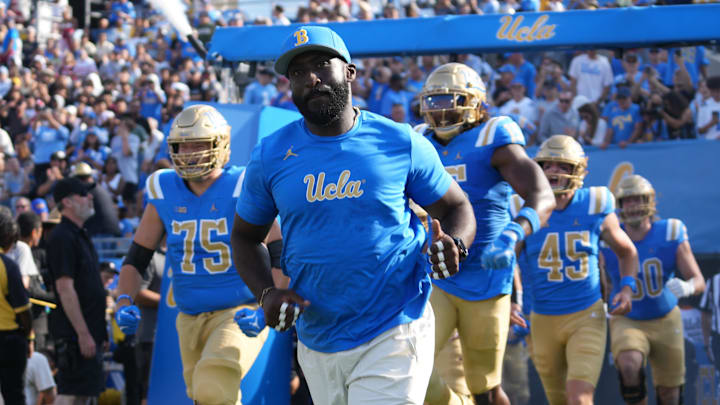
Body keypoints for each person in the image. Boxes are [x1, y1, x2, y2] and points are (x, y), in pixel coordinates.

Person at [231, 26, 476, 405]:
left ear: (350, 72)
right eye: (297, 72)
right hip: (317, 334)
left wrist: (455, 243)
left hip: (394, 322)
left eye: (321, 65)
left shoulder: (400, 141)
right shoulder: (270, 155)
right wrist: (266, 294)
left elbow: (457, 207)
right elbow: (246, 237)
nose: (310, 78)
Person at [113, 104, 281, 405]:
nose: (190, 152)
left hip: (238, 311)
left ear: (221, 144)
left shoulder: (243, 185)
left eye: (199, 144)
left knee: (214, 385)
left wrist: (269, 302)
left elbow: (281, 252)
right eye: (183, 145)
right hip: (187, 317)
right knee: (205, 396)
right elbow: (138, 257)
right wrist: (124, 299)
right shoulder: (164, 188)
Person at [417, 62, 555, 405]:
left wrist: (513, 234)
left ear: (475, 102)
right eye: (434, 102)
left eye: (451, 100)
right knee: (412, 365)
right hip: (437, 276)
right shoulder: (418, 141)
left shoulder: (493, 137)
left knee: (485, 388)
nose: (442, 110)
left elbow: (543, 194)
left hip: (487, 275)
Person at [517, 135, 639, 405]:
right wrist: (512, 300)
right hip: (542, 319)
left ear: (578, 170)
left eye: (562, 166)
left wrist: (627, 288)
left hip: (586, 315)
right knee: (558, 400)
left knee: (579, 398)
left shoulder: (595, 203)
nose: (553, 172)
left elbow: (627, 251)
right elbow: (508, 259)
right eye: (547, 165)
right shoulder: (523, 206)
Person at [602, 174, 706, 405]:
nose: (633, 205)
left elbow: (699, 280)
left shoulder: (670, 232)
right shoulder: (608, 238)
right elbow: (601, 282)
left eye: (638, 199)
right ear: (619, 205)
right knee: (628, 365)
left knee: (670, 393)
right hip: (627, 317)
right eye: (627, 200)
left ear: (649, 201)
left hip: (666, 318)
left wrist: (688, 286)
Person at [46, 177, 108, 405]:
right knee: (72, 393)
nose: (90, 197)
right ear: (68, 202)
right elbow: (65, 288)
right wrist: (83, 333)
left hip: (90, 332)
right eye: (83, 193)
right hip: (75, 336)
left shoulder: (80, 235)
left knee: (85, 394)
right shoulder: (62, 237)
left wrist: (99, 332)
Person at [0, 208, 32, 405]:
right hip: (9, 339)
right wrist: (29, 336)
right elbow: (24, 310)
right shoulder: (8, 266)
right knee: (14, 395)